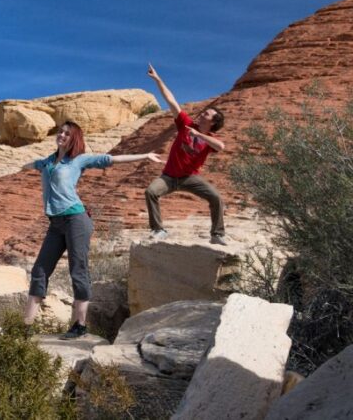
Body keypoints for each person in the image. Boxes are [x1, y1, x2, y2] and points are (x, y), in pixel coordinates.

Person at [22, 121, 162, 339]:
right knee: (39, 271)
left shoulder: (79, 160)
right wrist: (21, 166)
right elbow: (33, 165)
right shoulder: (47, 162)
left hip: (76, 219)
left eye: (67, 134)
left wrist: (144, 156)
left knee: (78, 269)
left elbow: (111, 159)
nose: (62, 135)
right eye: (60, 132)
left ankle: (79, 325)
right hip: (55, 223)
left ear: (74, 138)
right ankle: (25, 327)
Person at [145, 63, 227, 245]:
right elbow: (172, 101)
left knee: (215, 197)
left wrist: (199, 135)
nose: (202, 113)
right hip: (169, 176)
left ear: (212, 123)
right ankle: (159, 230)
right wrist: (158, 80)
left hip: (190, 178)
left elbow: (220, 146)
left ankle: (217, 234)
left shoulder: (209, 137)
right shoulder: (185, 124)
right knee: (151, 192)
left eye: (206, 114)